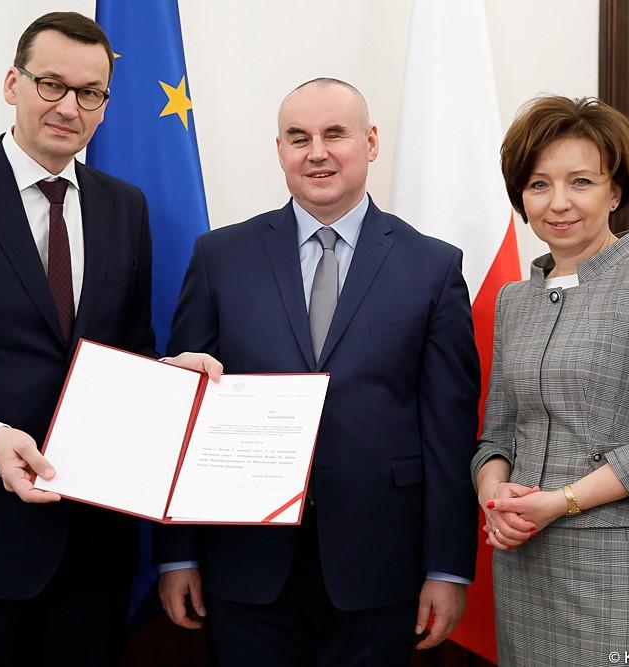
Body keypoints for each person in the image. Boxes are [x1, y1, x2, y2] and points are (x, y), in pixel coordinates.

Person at [0, 12, 219, 666]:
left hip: (93, 557)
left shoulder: (125, 206)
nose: (69, 106)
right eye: (51, 84)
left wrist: (172, 374)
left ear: (106, 105)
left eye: (90, 92)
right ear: (12, 83)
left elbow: (123, 358)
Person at [155, 78, 480, 666]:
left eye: (335, 134)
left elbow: (449, 429)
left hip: (381, 564)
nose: (317, 152)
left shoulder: (432, 266)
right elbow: (187, 412)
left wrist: (448, 566)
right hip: (245, 565)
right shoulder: (219, 258)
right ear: (279, 149)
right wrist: (178, 555)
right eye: (298, 138)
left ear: (371, 141)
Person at [472, 96, 629, 666]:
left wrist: (562, 501)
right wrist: (492, 497)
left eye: (580, 181)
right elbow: (497, 437)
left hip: (624, 565)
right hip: (525, 560)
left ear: (615, 190)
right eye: (538, 185)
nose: (558, 203)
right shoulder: (515, 300)